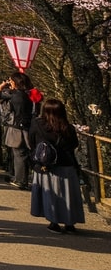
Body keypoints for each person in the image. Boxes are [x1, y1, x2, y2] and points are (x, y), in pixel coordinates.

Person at [30, 98, 85, 234]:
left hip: (47, 165)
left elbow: (31, 142)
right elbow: (74, 145)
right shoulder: (69, 127)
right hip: (67, 165)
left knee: (52, 195)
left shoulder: (38, 124)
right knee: (69, 195)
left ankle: (54, 222)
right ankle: (70, 224)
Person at [0, 72, 36, 188]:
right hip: (27, 126)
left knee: (19, 154)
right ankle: (22, 177)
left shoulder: (13, 94)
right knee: (24, 153)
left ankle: (20, 180)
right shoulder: (29, 94)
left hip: (16, 127)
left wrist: (2, 85)